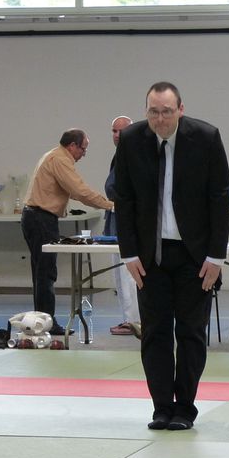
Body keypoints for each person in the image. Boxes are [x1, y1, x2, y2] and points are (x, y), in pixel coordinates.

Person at [114, 82, 229, 431]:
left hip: (195, 255)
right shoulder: (132, 140)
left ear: (180, 108)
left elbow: (219, 198)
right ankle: (161, 406)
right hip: (151, 255)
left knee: (192, 333)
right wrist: (129, 252)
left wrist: (217, 256)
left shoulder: (206, 138)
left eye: (167, 111)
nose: (160, 119)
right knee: (154, 333)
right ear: (145, 110)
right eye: (153, 112)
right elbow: (125, 199)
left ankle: (185, 407)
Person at [21, 129, 113, 335]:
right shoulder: (60, 159)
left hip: (36, 217)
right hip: (41, 218)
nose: (83, 154)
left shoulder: (53, 155)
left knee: (40, 272)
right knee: (46, 272)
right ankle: (47, 321)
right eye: (83, 149)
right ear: (72, 146)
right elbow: (79, 190)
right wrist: (109, 205)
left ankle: (41, 319)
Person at [104, 115, 141, 337]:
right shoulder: (119, 155)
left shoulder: (136, 154)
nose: (117, 135)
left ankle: (135, 321)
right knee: (119, 276)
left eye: (121, 131)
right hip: (115, 221)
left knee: (129, 276)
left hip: (129, 222)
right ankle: (128, 319)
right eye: (114, 131)